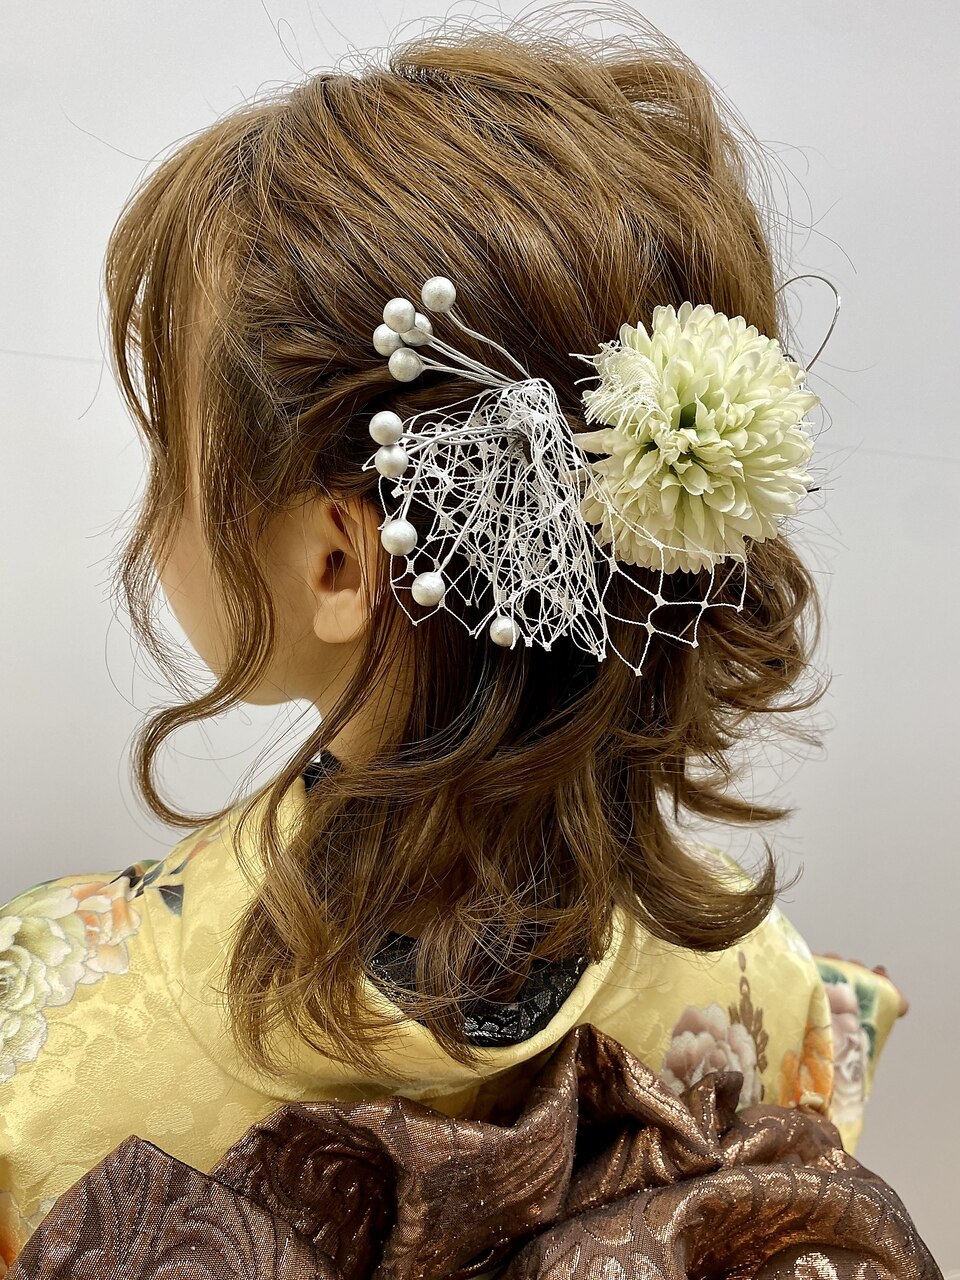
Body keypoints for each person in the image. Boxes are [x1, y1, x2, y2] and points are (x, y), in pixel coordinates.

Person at [0, 7, 925, 1274]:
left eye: (174, 455)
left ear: (338, 562)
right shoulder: (767, 997)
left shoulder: (50, 1037)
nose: (155, 508)